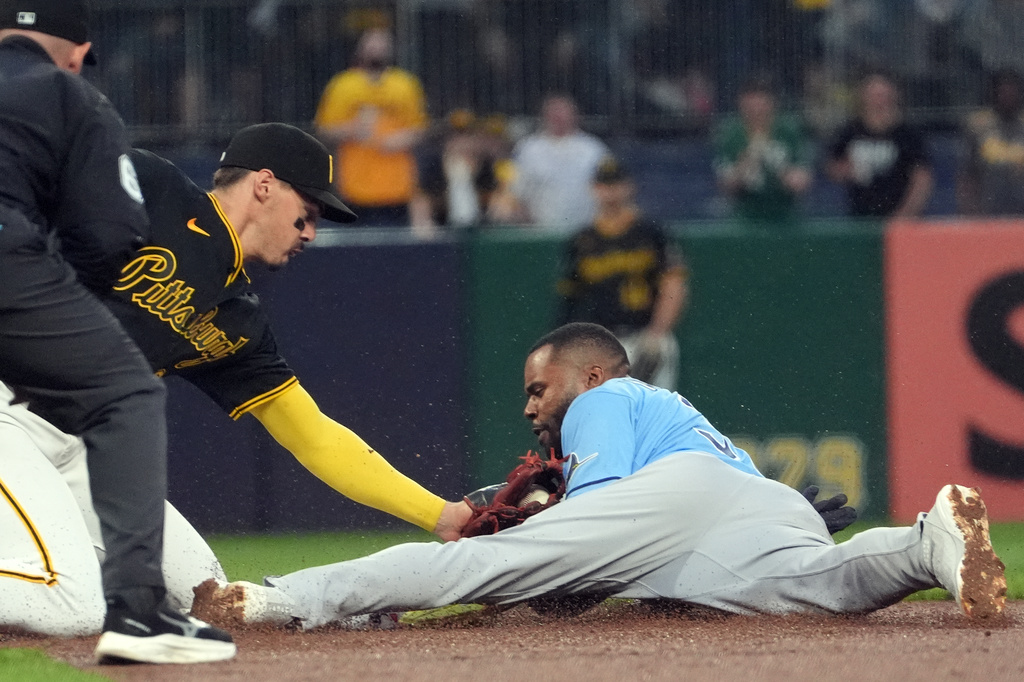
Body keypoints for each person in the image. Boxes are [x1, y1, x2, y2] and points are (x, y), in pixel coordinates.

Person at [195, 323, 1006, 629]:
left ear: (584, 377)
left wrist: (533, 546)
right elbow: (668, 533)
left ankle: (286, 598)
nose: (529, 408)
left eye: (536, 388)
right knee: (829, 584)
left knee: (477, 565)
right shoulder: (684, 415)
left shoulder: (607, 396)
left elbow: (588, 544)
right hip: (760, 503)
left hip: (675, 499)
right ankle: (928, 542)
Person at [0, 123, 472, 640]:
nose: (310, 232)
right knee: (72, 603)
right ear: (264, 185)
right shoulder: (153, 186)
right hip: (9, 413)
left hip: (84, 451)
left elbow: (316, 438)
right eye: (307, 213)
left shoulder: (235, 320)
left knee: (209, 599)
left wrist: (442, 516)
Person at [0, 0, 234, 664]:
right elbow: (111, 237)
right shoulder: (67, 94)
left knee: (197, 583)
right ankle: (136, 614)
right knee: (124, 393)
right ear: (76, 52)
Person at [556, 156, 688, 390]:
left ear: (629, 186)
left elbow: (674, 286)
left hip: (645, 335)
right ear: (593, 189)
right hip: (603, 344)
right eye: (604, 184)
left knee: (654, 414)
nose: (610, 191)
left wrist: (657, 333)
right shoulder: (583, 241)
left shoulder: (650, 233)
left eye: (615, 183)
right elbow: (571, 303)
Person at [314, 27, 428, 227]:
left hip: (397, 190)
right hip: (354, 191)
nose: (377, 49)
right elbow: (323, 129)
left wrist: (402, 139)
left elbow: (420, 128)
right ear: (360, 48)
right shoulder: (342, 85)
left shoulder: (405, 84)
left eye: (383, 43)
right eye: (372, 43)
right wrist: (351, 130)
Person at [826, 71, 933, 218]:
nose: (879, 101)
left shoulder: (907, 134)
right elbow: (833, 166)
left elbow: (922, 178)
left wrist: (906, 213)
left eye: (883, 95)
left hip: (899, 215)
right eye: (874, 95)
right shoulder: (850, 131)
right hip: (860, 216)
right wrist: (848, 170)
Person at [500, 94, 610, 233]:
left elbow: (609, 187)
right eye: (554, 111)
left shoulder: (593, 148)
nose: (558, 117)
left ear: (575, 115)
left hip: (586, 230)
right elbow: (513, 190)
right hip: (541, 231)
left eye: (563, 111)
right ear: (544, 115)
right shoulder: (528, 148)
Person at [714, 77, 812, 224]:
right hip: (744, 217)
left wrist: (778, 164)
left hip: (786, 217)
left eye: (761, 106)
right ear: (741, 105)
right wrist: (747, 162)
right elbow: (727, 186)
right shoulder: (731, 134)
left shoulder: (789, 130)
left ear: (772, 104)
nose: (756, 112)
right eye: (751, 108)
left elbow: (801, 183)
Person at [957, 68, 1024, 216]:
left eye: (1012, 92)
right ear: (994, 94)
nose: (1008, 97)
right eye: (1003, 92)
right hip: (988, 213)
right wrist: (970, 212)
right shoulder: (978, 126)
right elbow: (967, 175)